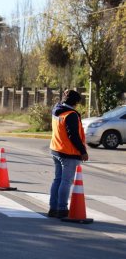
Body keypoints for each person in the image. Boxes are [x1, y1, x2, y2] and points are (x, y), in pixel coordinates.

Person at [48, 89, 88, 218]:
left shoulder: (56, 110)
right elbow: (73, 135)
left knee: (57, 180)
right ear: (75, 102)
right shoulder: (71, 115)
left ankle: (53, 208)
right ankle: (62, 209)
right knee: (66, 181)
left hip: (56, 149)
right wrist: (82, 151)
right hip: (68, 153)